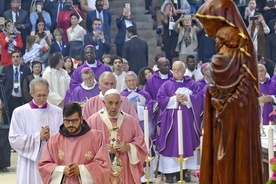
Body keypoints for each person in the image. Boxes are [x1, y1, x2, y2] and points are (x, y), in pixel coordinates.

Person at [196, 0, 263, 182]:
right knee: (229, 155)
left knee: (228, 155)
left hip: (233, 112)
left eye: (210, 27)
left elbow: (220, 76)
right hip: (235, 110)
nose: (209, 34)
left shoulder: (235, 52)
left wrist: (217, 95)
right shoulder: (244, 49)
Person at [38, 102, 111, 183]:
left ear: (81, 119)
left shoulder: (96, 137)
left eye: (74, 121)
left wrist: (81, 170)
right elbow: (43, 165)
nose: (70, 125)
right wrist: (62, 170)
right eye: (67, 121)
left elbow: (104, 165)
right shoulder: (54, 139)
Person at [87, 88, 148, 183]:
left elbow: (141, 142)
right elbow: (86, 145)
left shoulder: (130, 121)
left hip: (125, 167)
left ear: (121, 103)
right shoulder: (93, 121)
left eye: (117, 103)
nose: (114, 107)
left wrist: (129, 147)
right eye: (110, 103)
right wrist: (102, 149)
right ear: (104, 102)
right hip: (102, 167)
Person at [156, 61, 203, 183]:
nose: (177, 72)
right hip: (171, 122)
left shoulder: (192, 84)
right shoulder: (166, 85)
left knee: (186, 143)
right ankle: (170, 173)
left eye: (180, 69)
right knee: (171, 144)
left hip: (187, 122)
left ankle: (184, 172)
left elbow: (200, 98)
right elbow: (160, 99)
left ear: (184, 70)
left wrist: (188, 98)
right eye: (175, 69)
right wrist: (174, 99)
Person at [9, 78, 63, 184]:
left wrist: (50, 136)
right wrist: (38, 137)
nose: (42, 98)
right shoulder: (20, 112)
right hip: (29, 162)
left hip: (51, 159)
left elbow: (63, 137)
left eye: (44, 95)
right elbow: (14, 139)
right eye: (39, 95)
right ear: (31, 93)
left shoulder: (57, 112)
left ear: (48, 92)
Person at [2, 50, 32, 120]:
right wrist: (1, 99)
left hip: (21, 99)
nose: (15, 58)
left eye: (17, 57)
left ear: (20, 58)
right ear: (11, 59)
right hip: (9, 99)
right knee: (8, 120)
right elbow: (2, 85)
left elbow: (29, 84)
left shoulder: (26, 69)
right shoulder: (6, 69)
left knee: (21, 119)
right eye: (13, 57)